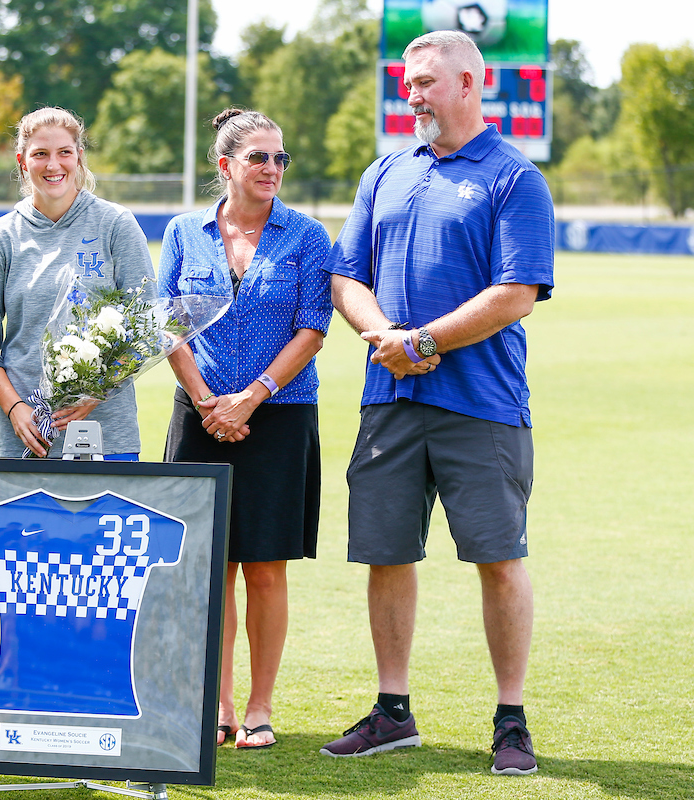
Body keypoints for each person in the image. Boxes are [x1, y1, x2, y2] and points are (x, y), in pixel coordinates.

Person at [319, 31, 554, 776]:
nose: (411, 94)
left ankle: (510, 720)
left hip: (481, 402)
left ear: (466, 84)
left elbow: (516, 293)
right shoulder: (385, 171)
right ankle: (393, 713)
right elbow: (346, 276)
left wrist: (424, 342)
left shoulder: (514, 178)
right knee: (386, 554)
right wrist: (385, 334)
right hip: (387, 399)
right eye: (406, 82)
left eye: (423, 81)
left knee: (498, 557)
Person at [159, 108, 332, 749]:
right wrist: (208, 400)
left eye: (280, 158)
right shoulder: (184, 231)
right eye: (259, 157)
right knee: (209, 567)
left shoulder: (308, 236)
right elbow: (167, 324)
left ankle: (259, 709)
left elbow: (314, 328)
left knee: (265, 566)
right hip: (199, 413)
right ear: (226, 165)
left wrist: (251, 398)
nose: (272, 169)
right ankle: (219, 702)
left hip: (279, 416)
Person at [0, 107, 154, 459]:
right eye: (40, 154)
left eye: (64, 152)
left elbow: (147, 325)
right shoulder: (0, 237)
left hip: (109, 434)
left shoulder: (116, 225)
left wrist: (98, 393)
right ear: (22, 161)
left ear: (79, 156)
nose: (54, 165)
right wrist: (15, 408)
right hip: (29, 436)